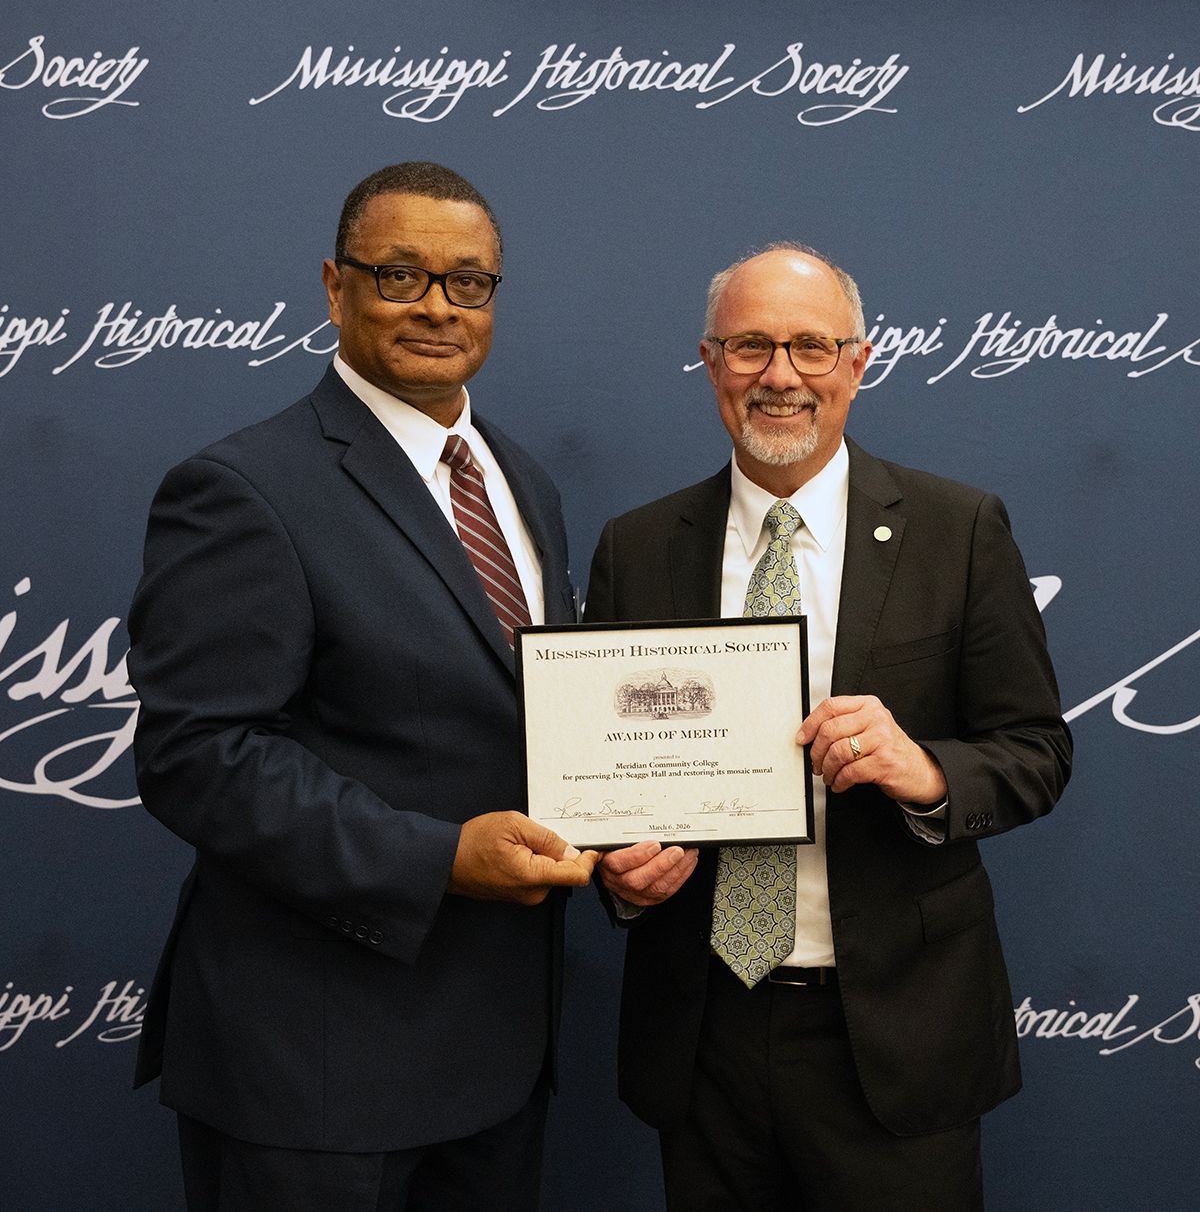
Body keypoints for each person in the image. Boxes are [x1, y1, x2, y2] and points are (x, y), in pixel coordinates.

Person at [128, 161, 598, 1211]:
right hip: (316, 1073)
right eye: (401, 275)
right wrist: (439, 860)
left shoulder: (524, 482)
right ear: (335, 287)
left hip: (498, 1056)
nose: (438, 306)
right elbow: (196, 759)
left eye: (468, 282)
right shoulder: (243, 489)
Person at [586, 243, 1072, 1211]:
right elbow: (600, 777)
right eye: (751, 346)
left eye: (811, 346)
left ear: (859, 362)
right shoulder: (637, 548)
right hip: (703, 1035)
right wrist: (619, 871)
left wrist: (926, 772)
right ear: (710, 361)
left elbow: (1037, 750)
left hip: (895, 1043)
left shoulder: (959, 528)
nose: (780, 376)